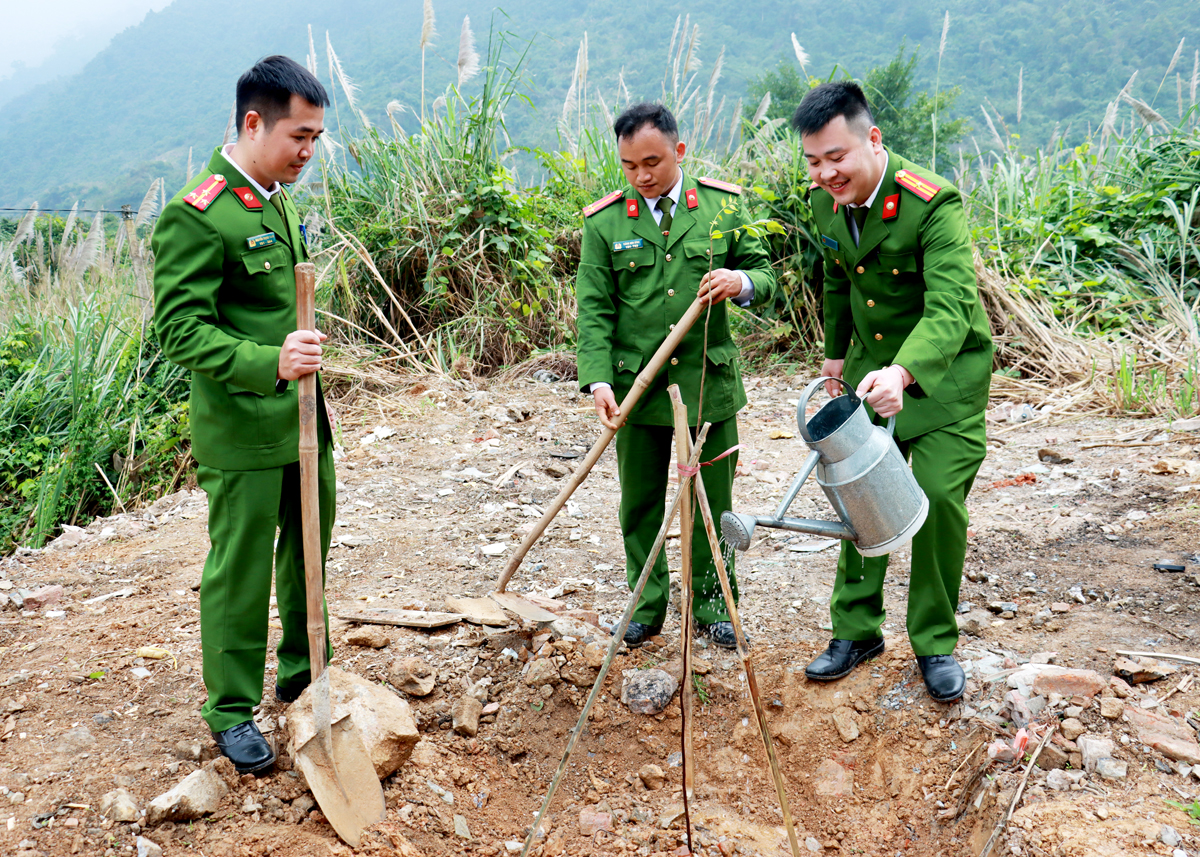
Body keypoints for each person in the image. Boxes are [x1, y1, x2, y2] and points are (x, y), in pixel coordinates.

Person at [152, 55, 334, 773]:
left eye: (317, 138)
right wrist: (271, 362)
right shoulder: (198, 213)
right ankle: (231, 708)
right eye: (299, 136)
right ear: (253, 123)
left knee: (308, 549)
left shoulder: (272, 195)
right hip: (243, 427)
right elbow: (180, 329)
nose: (309, 153)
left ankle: (301, 671)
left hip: (303, 423)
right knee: (242, 566)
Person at [791, 81, 992, 702]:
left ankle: (934, 641)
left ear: (872, 140)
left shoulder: (932, 204)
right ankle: (856, 631)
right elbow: (836, 280)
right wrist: (834, 361)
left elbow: (952, 306)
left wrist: (903, 374)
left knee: (931, 499)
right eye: (814, 161)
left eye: (838, 157)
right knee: (858, 498)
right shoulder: (826, 204)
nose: (826, 173)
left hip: (940, 381)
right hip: (867, 375)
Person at [575, 102, 777, 648]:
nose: (642, 176)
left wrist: (740, 280)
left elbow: (766, 275)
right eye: (629, 166)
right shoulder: (606, 221)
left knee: (713, 501)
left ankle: (714, 605)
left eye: (653, 162)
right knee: (638, 503)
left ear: (679, 152)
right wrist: (598, 381)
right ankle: (645, 606)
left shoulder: (721, 207)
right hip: (634, 388)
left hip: (706, 387)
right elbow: (594, 308)